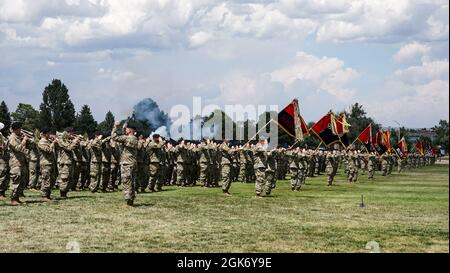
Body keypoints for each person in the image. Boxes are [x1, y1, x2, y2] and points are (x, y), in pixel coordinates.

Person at [111, 122, 138, 206]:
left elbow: (114, 137)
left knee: (126, 182)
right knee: (131, 182)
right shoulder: (134, 138)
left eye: (126, 129)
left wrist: (115, 126)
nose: (125, 130)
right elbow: (123, 136)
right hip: (132, 163)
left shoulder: (128, 138)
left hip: (127, 164)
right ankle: (131, 199)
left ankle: (128, 201)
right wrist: (123, 127)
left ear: (130, 130)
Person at [7, 122, 30, 205]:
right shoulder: (12, 138)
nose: (21, 130)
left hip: (22, 161)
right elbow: (18, 148)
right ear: (16, 129)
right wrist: (24, 140)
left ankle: (17, 197)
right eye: (20, 128)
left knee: (23, 181)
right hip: (15, 163)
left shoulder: (18, 136)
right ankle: (13, 199)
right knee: (16, 181)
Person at [37, 127, 56, 201]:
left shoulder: (48, 141)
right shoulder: (42, 142)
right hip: (45, 163)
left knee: (51, 179)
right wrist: (53, 143)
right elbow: (48, 150)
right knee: (46, 179)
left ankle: (48, 195)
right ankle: (44, 196)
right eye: (49, 133)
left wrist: (52, 142)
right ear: (45, 134)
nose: (50, 134)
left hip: (50, 162)